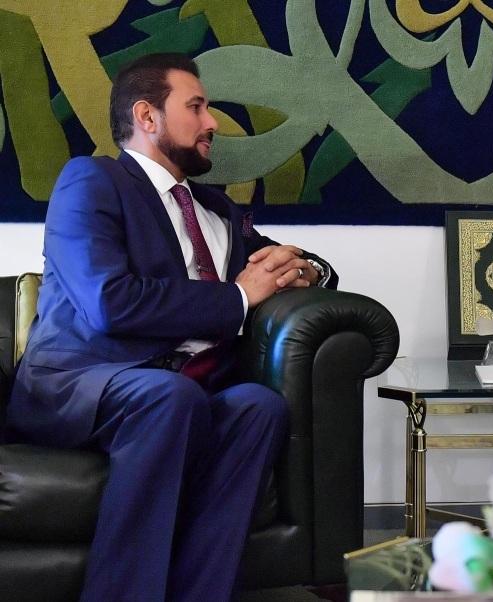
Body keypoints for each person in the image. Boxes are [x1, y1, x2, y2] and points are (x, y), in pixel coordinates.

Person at [3, 53, 337, 601]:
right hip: (82, 383)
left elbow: (276, 262)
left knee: (259, 406)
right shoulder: (92, 181)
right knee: (169, 398)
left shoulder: (215, 209)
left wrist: (307, 271)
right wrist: (237, 296)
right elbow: (109, 302)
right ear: (147, 116)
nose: (213, 123)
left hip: (184, 391)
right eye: (197, 107)